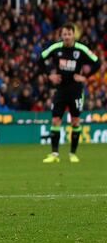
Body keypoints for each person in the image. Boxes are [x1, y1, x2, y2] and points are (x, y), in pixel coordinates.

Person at [40, 23, 100, 163]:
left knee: (75, 121)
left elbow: (97, 63)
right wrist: (49, 75)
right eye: (64, 34)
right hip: (60, 90)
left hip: (76, 91)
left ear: (74, 35)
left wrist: (86, 76)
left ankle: (73, 154)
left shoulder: (81, 49)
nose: (66, 37)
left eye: (69, 34)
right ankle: (54, 154)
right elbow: (40, 59)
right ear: (61, 35)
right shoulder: (56, 48)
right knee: (55, 120)